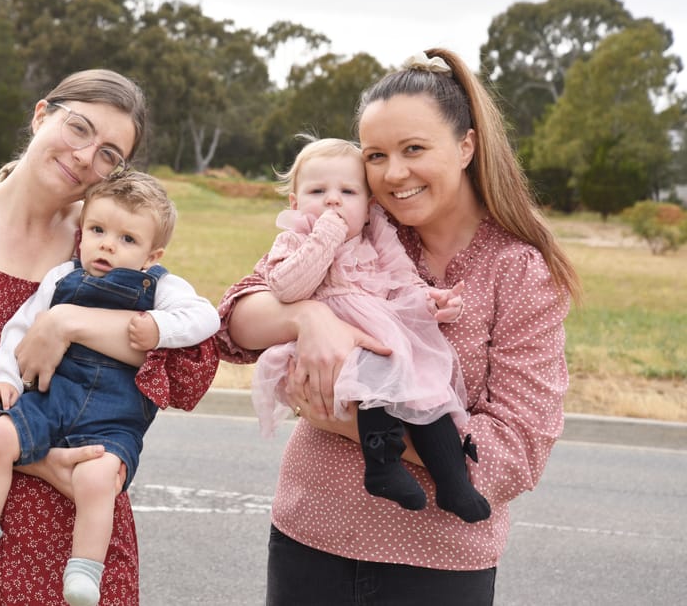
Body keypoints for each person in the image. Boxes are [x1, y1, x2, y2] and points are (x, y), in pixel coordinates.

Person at [217, 49, 580, 605]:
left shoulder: (519, 270)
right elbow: (235, 321)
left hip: (440, 562)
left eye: (414, 149)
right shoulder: (359, 227)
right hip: (310, 535)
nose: (394, 173)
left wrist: (346, 422)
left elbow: (516, 453)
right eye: (376, 156)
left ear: (466, 145)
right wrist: (307, 316)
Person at [0, 69, 219, 606]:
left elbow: (187, 365)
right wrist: (36, 457)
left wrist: (65, 323)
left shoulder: (103, 234)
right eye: (79, 129)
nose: (85, 157)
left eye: (109, 154)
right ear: (40, 115)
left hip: (86, 541)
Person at [0, 172, 220, 606]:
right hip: (52, 398)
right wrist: (3, 381)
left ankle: (85, 569)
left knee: (99, 477)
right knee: (0, 433)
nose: (107, 245)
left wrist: (158, 327)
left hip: (112, 418)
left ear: (151, 255)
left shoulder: (160, 287)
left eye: (126, 239)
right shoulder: (61, 277)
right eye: (98, 231)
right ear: (80, 234)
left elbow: (205, 318)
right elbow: (20, 330)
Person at [252, 136, 489, 523]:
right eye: (317, 191)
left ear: (368, 207)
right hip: (332, 339)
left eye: (347, 191)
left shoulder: (377, 236)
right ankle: (382, 467)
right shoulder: (294, 238)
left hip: (383, 329)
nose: (332, 200)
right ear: (294, 203)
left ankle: (453, 481)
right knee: (375, 378)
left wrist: (431, 302)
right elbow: (286, 286)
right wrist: (325, 236)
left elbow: (402, 279)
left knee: (427, 391)